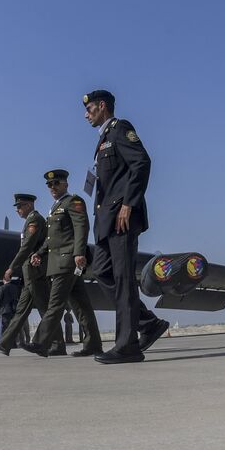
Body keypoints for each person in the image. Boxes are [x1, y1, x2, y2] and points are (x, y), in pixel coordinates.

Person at [82, 90, 169, 364]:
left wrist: (128, 204)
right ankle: (148, 323)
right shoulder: (103, 140)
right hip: (106, 221)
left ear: (102, 106)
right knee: (102, 271)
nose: (86, 115)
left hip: (122, 217)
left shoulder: (121, 129)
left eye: (89, 109)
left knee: (123, 280)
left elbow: (142, 162)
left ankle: (127, 346)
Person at [25, 170, 102, 358]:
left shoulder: (73, 202)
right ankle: (93, 345)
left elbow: (81, 227)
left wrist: (79, 253)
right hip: (58, 262)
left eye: (56, 183)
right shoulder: (55, 207)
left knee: (55, 304)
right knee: (81, 305)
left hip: (67, 262)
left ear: (66, 184)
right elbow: (53, 238)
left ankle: (40, 343)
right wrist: (40, 253)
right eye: (49, 185)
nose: (53, 187)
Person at [0, 193, 69, 356]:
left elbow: (27, 247)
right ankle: (5, 344)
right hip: (29, 273)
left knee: (44, 308)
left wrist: (11, 267)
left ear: (29, 205)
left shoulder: (34, 220)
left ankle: (57, 344)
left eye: (20, 206)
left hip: (35, 271)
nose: (17, 210)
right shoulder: (30, 221)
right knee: (22, 310)